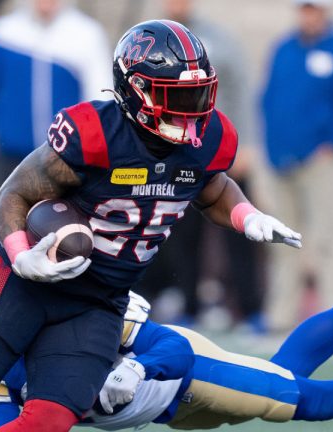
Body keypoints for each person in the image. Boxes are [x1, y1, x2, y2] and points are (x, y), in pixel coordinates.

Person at [0, 20, 301, 432]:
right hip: (30, 284)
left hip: (99, 302)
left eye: (198, 96)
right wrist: (19, 256)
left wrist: (249, 216)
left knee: (49, 420)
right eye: (175, 97)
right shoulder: (93, 132)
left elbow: (215, 188)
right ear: (135, 91)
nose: (190, 113)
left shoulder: (211, 137)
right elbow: (13, 194)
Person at [0, 249, 333, 432]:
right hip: (168, 413)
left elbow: (173, 351)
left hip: (189, 374)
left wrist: (135, 369)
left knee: (308, 401)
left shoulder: (84, 312)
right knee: (284, 375)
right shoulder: (1, 367)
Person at [138, 0, 263, 329]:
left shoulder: (217, 39)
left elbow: (240, 90)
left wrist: (245, 144)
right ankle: (188, 305)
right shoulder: (147, 41)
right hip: (175, 152)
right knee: (181, 234)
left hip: (218, 148)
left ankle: (250, 309)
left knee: (239, 229)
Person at [260, 0, 333, 332]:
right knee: (281, 241)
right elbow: (268, 99)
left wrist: (332, 143)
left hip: (319, 161)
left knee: (326, 238)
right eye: (304, 9)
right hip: (281, 159)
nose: (308, 15)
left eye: (314, 9)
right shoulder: (284, 48)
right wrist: (273, 145)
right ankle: (279, 315)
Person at [0, 0, 112, 184]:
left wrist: (84, 141)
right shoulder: (2, 32)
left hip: (68, 158)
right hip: (13, 156)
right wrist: (1, 127)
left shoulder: (87, 35)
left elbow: (101, 95)